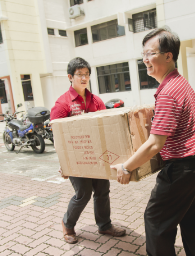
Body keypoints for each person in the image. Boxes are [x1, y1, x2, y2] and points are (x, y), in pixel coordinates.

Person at [110, 27, 195, 256]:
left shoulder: (168, 92)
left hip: (182, 169)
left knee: (156, 222)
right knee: (189, 222)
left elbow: (155, 144)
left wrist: (126, 167)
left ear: (168, 55)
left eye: (150, 54)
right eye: (143, 55)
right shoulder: (179, 83)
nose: (145, 60)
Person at [51, 57, 126, 244]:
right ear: (70, 77)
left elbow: (105, 129)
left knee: (102, 189)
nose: (84, 78)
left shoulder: (96, 101)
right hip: (77, 158)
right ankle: (67, 225)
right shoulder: (63, 104)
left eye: (86, 74)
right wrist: (64, 165)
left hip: (97, 156)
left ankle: (104, 225)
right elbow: (58, 138)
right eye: (79, 75)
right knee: (83, 193)